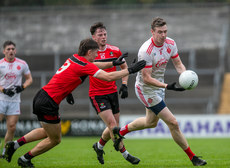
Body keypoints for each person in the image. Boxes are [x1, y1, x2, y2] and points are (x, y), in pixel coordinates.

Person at [3, 38, 146, 168]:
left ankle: (14, 145)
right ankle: (25, 159)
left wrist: (114, 63)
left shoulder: (75, 58)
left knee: (47, 132)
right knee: (55, 139)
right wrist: (130, 70)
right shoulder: (84, 65)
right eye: (95, 53)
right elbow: (108, 77)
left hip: (42, 96)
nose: (97, 55)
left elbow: (80, 70)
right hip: (48, 102)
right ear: (89, 52)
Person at [112, 17, 207, 166]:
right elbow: (147, 78)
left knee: (150, 123)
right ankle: (193, 157)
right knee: (173, 122)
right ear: (152, 32)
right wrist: (168, 86)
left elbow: (178, 64)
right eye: (160, 32)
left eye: (165, 31)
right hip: (146, 89)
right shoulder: (146, 51)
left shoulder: (171, 43)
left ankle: (121, 132)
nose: (163, 35)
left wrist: (185, 76)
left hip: (158, 87)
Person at [89, 22, 140, 165]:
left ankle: (98, 146)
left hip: (112, 92)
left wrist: (124, 84)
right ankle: (126, 154)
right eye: (100, 35)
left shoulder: (115, 50)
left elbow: (124, 67)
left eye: (105, 34)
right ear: (93, 37)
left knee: (114, 125)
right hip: (97, 94)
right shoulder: (89, 54)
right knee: (113, 125)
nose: (103, 37)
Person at [0, 41, 33, 158]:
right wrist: (3, 90)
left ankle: (4, 152)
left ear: (16, 51)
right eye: (8, 49)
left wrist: (22, 87)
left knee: (12, 127)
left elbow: (29, 79)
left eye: (13, 49)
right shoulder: (0, 64)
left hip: (14, 100)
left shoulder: (22, 64)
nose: (11, 51)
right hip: (1, 99)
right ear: (4, 51)